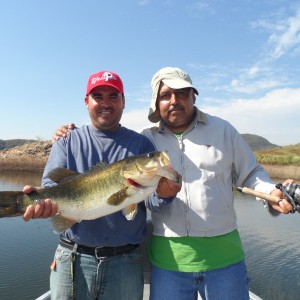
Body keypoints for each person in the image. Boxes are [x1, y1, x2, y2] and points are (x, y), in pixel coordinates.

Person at [48, 67, 295, 300]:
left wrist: (271, 192)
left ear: (193, 96)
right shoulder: (146, 140)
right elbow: (144, 194)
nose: (174, 100)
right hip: (169, 262)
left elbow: (251, 172)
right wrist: (65, 132)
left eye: (182, 93)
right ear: (156, 103)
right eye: (165, 95)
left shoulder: (223, 131)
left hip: (225, 258)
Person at [23, 70, 181, 300]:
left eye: (113, 97)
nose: (106, 103)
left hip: (125, 262)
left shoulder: (140, 144)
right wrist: (41, 204)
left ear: (124, 102)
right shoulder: (67, 140)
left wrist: (165, 194)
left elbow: (153, 202)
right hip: (72, 258)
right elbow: (49, 184)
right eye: (98, 96)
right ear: (87, 102)